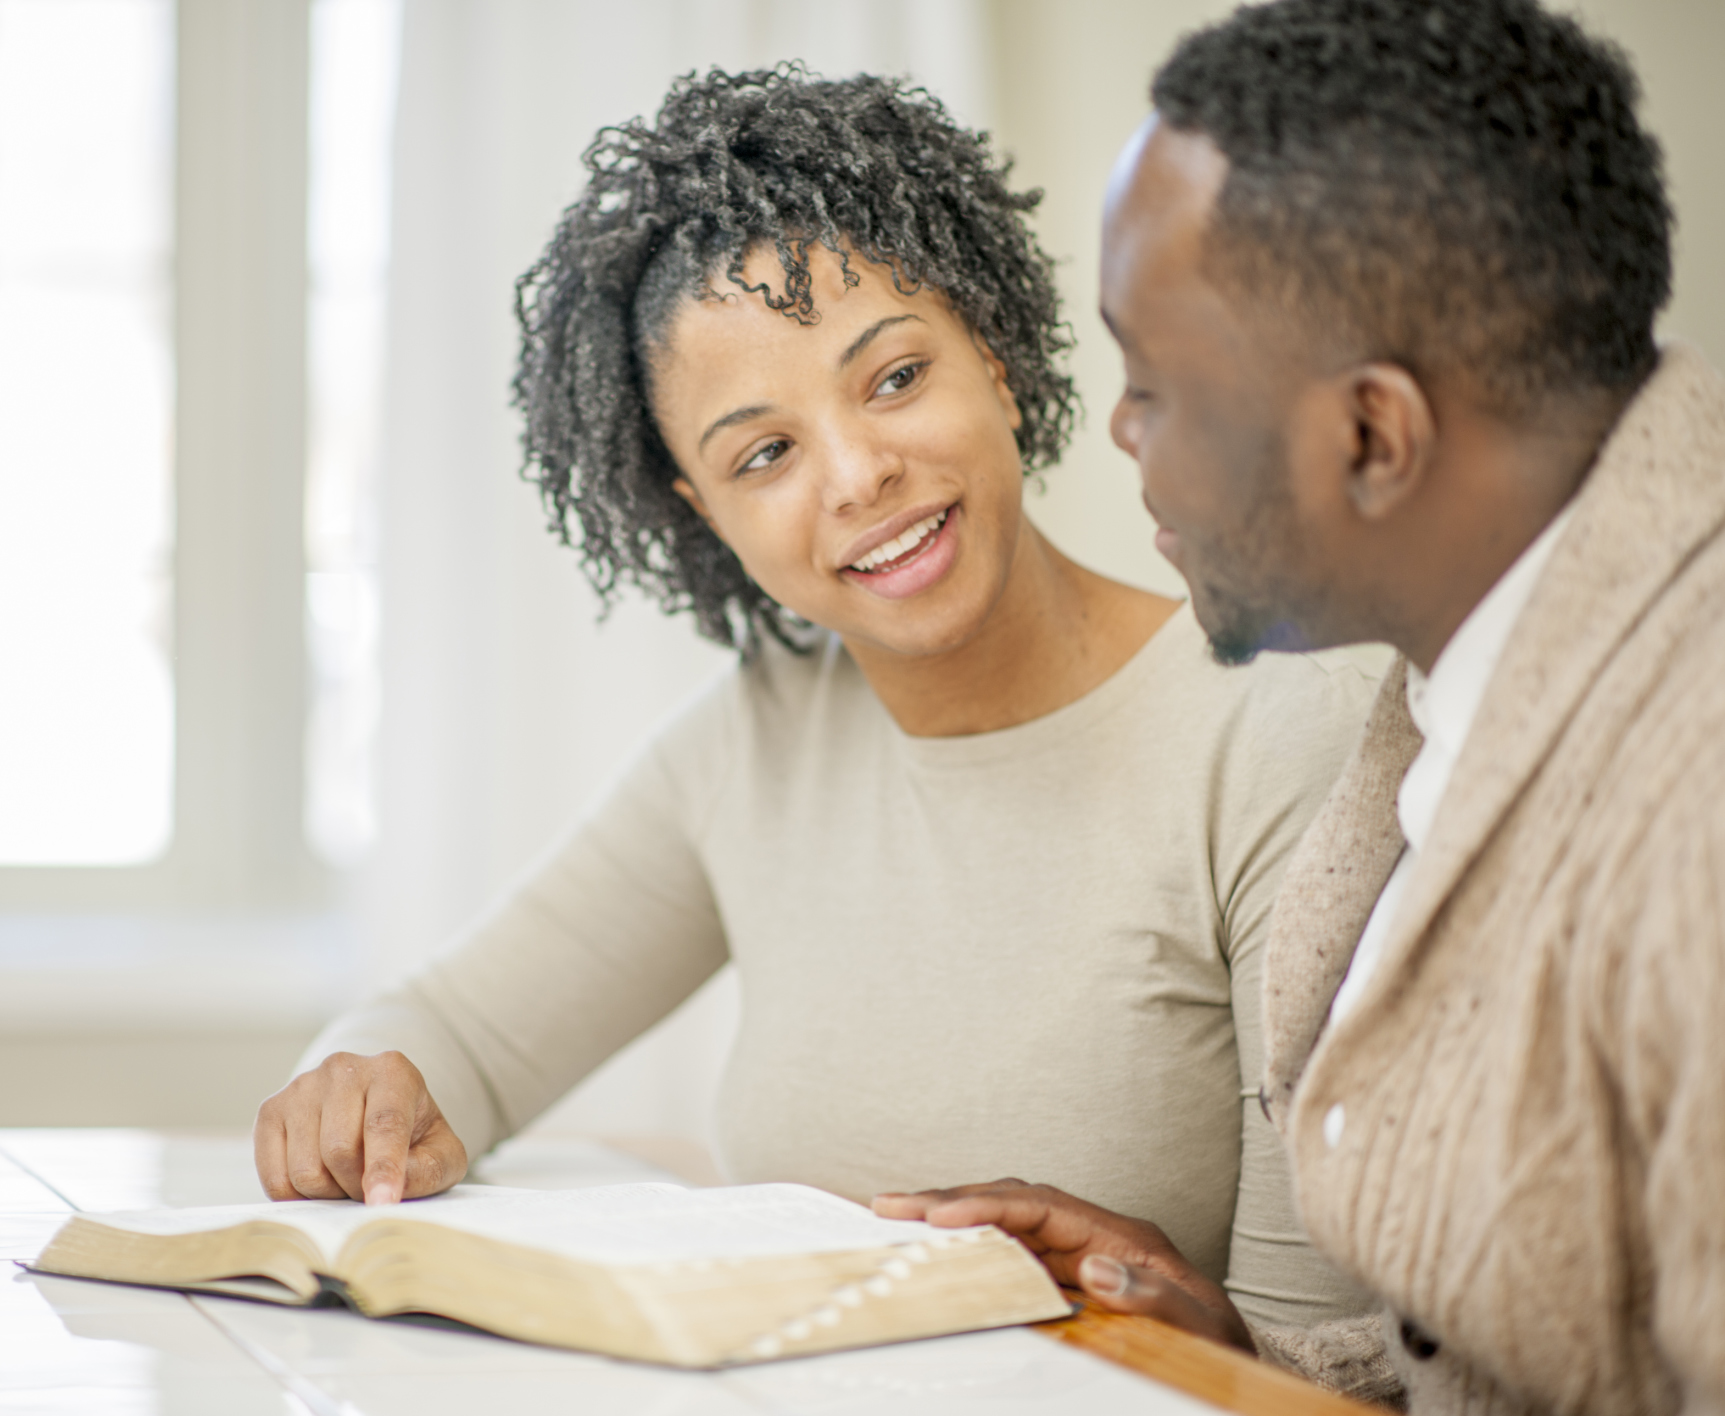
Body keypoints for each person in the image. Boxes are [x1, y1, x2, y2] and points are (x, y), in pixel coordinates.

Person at [256, 67, 1379, 1337]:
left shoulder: (1283, 738)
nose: (857, 475)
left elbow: (1327, 1368)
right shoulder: (751, 746)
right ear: (705, 514)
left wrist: (1178, 1328)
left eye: (894, 377)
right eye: (764, 453)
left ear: (996, 358)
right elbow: (452, 1029)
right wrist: (351, 1094)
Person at [877, 1, 1725, 1411]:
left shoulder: (1695, 801)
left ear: (1370, 437)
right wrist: (1249, 1358)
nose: (1118, 430)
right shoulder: (1476, 661)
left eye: (1152, 382)